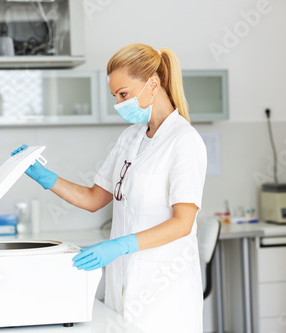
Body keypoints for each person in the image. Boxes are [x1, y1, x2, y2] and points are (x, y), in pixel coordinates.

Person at [12, 43, 207, 332]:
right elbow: (93, 198)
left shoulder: (184, 141)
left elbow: (182, 223)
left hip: (164, 292)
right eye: (115, 96)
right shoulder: (130, 138)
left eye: (123, 94)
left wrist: (121, 245)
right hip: (124, 283)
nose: (118, 103)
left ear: (153, 84)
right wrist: (44, 176)